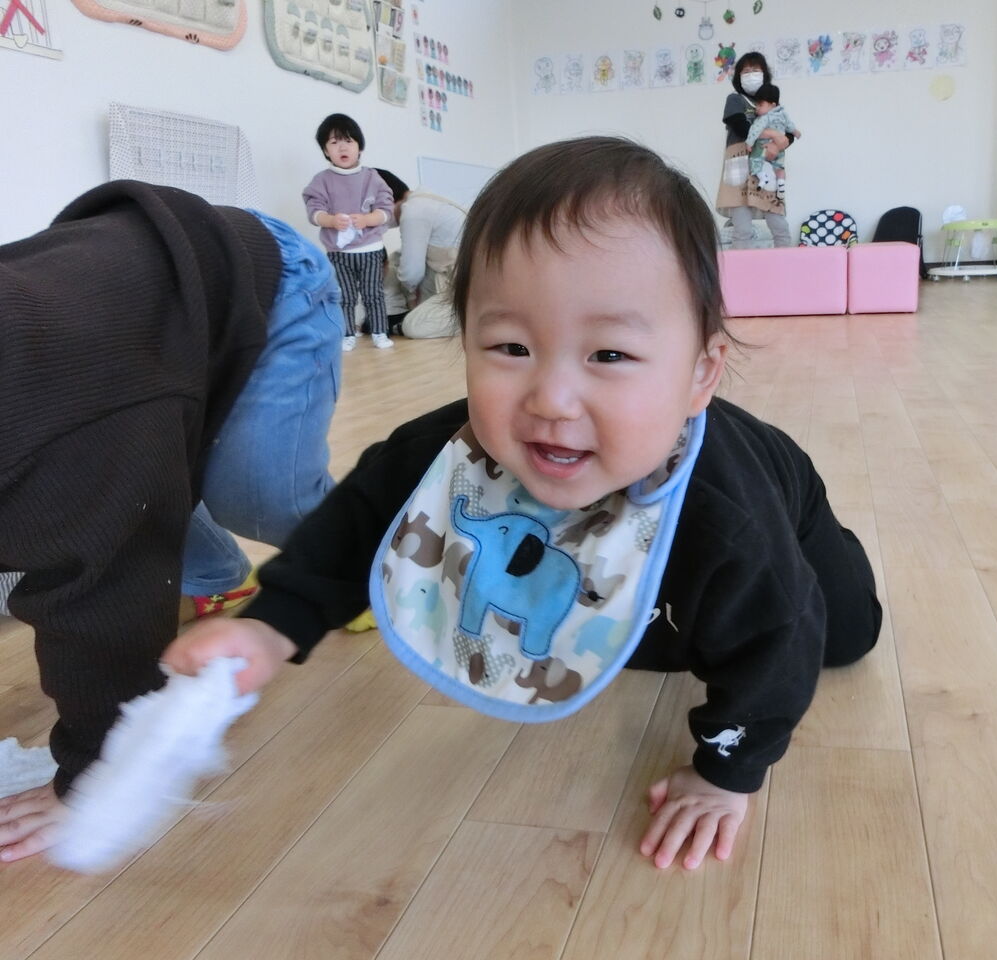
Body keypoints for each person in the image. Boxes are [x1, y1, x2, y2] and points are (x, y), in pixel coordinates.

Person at [163, 136, 883, 873]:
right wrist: (273, 626)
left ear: (700, 375)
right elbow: (354, 524)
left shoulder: (734, 513)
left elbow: (781, 640)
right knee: (654, 634)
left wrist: (726, 774)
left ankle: (825, 549)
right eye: (511, 348)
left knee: (840, 633)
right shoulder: (448, 453)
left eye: (609, 355)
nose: (552, 400)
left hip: (787, 505)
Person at [0, 180, 343, 862]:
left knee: (257, 498)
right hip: (136, 341)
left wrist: (93, 770)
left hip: (270, 279)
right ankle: (215, 574)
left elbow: (103, 589)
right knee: (133, 482)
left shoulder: (49, 426)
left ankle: (372, 554)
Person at [303, 113, 395, 351]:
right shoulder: (321, 180)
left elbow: (386, 209)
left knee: (373, 293)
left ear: (359, 147)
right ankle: (347, 333)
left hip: (371, 248)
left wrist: (367, 219)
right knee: (344, 294)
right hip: (338, 252)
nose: (342, 147)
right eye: (334, 142)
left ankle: (379, 332)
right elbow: (314, 211)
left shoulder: (372, 177)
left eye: (348, 141)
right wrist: (331, 220)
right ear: (326, 151)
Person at [372, 168, 467, 339]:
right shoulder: (426, 199)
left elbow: (411, 273)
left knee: (413, 326)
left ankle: (474, 319)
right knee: (396, 258)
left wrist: (411, 296)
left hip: (463, 285)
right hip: (453, 277)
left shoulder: (413, 211)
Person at [716, 52, 796, 249]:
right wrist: (773, 134)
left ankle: (786, 262)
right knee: (742, 228)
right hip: (740, 163)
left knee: (778, 223)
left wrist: (778, 144)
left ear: (764, 74)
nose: (751, 74)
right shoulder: (735, 99)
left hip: (766, 164)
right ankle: (740, 265)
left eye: (755, 70)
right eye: (746, 71)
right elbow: (741, 127)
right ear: (738, 76)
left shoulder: (773, 104)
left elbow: (788, 133)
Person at [745, 84, 799, 198]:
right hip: (780, 149)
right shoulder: (783, 114)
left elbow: (754, 131)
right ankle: (781, 185)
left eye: (760, 105)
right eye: (756, 105)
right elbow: (790, 126)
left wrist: (749, 143)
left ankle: (763, 177)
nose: (757, 108)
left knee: (754, 161)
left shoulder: (764, 118)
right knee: (779, 168)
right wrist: (796, 132)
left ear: (773, 105)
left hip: (763, 147)